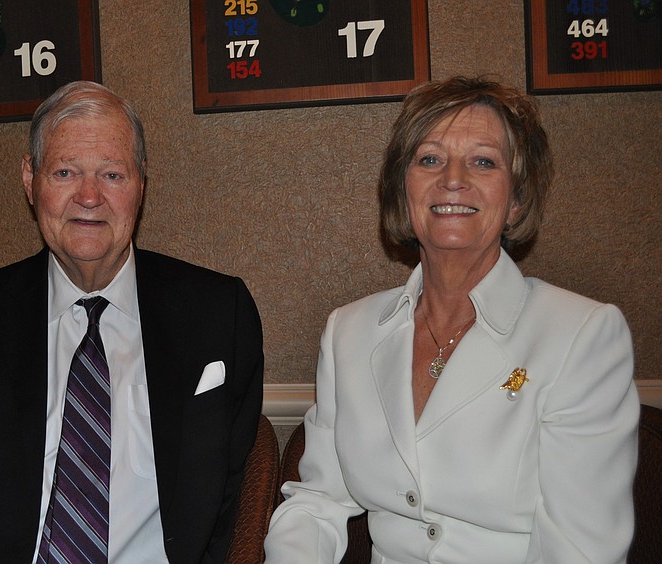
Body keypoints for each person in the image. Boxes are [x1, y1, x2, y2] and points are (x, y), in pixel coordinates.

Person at [0, 81, 264, 563]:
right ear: (29, 178)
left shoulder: (219, 315)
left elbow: (231, 504)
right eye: (65, 172)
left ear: (142, 183)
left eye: (112, 175)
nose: (89, 196)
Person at [264, 76, 639, 563]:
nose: (453, 178)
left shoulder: (585, 335)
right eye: (429, 159)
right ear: (404, 188)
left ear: (517, 198)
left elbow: (581, 551)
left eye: (483, 161)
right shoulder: (348, 332)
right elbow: (317, 503)